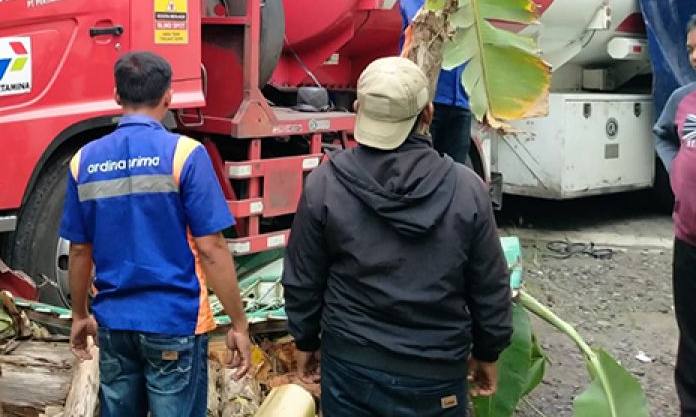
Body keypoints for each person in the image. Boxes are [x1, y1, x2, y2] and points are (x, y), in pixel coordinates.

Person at [283, 56, 512, 416]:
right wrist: (488, 351)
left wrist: (306, 340)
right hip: (435, 372)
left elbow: (303, 278)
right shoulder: (466, 188)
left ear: (358, 109)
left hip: (351, 368)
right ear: (428, 115)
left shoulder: (326, 183)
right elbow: (489, 284)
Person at [60, 51, 251, 417]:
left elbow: (80, 250)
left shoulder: (83, 161)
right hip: (174, 321)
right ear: (169, 97)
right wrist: (238, 324)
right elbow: (212, 248)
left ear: (117, 96)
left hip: (114, 322)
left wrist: (80, 314)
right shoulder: (185, 154)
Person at [651, 14, 696, 416]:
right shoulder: (682, 98)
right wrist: (676, 168)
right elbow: (662, 133)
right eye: (692, 49)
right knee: (691, 334)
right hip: (688, 240)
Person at [398, 0, 473, 165]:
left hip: (460, 102)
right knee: (417, 170)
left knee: (453, 174)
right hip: (425, 100)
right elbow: (424, 23)